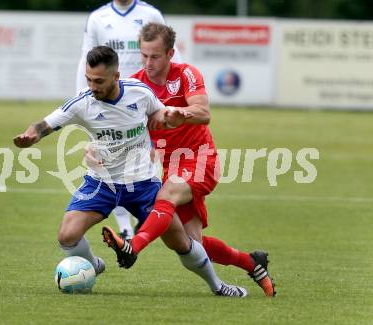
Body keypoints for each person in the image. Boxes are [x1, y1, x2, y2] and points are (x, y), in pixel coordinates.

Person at [14, 46, 247, 297]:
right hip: (102, 183)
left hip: (143, 185)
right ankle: (93, 265)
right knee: (67, 236)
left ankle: (218, 286)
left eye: (99, 81)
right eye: (89, 79)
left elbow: (158, 114)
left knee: (181, 243)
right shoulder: (83, 102)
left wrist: (172, 118)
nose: (93, 86)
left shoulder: (139, 92)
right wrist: (32, 135)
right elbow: (45, 124)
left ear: (116, 76)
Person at [101, 23, 276, 297]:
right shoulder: (135, 85)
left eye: (155, 56)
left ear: (171, 53)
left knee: (166, 196)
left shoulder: (186, 75)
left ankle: (132, 247)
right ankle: (251, 262)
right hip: (170, 166)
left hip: (200, 160)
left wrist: (178, 113)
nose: (148, 62)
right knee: (191, 244)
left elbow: (203, 112)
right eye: (144, 55)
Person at [76, 0, 181, 239]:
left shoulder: (151, 13)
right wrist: (81, 100)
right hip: (110, 104)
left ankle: (148, 217)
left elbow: (171, 56)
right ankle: (124, 226)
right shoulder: (98, 18)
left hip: (145, 99)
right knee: (112, 160)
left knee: (147, 158)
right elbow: (86, 59)